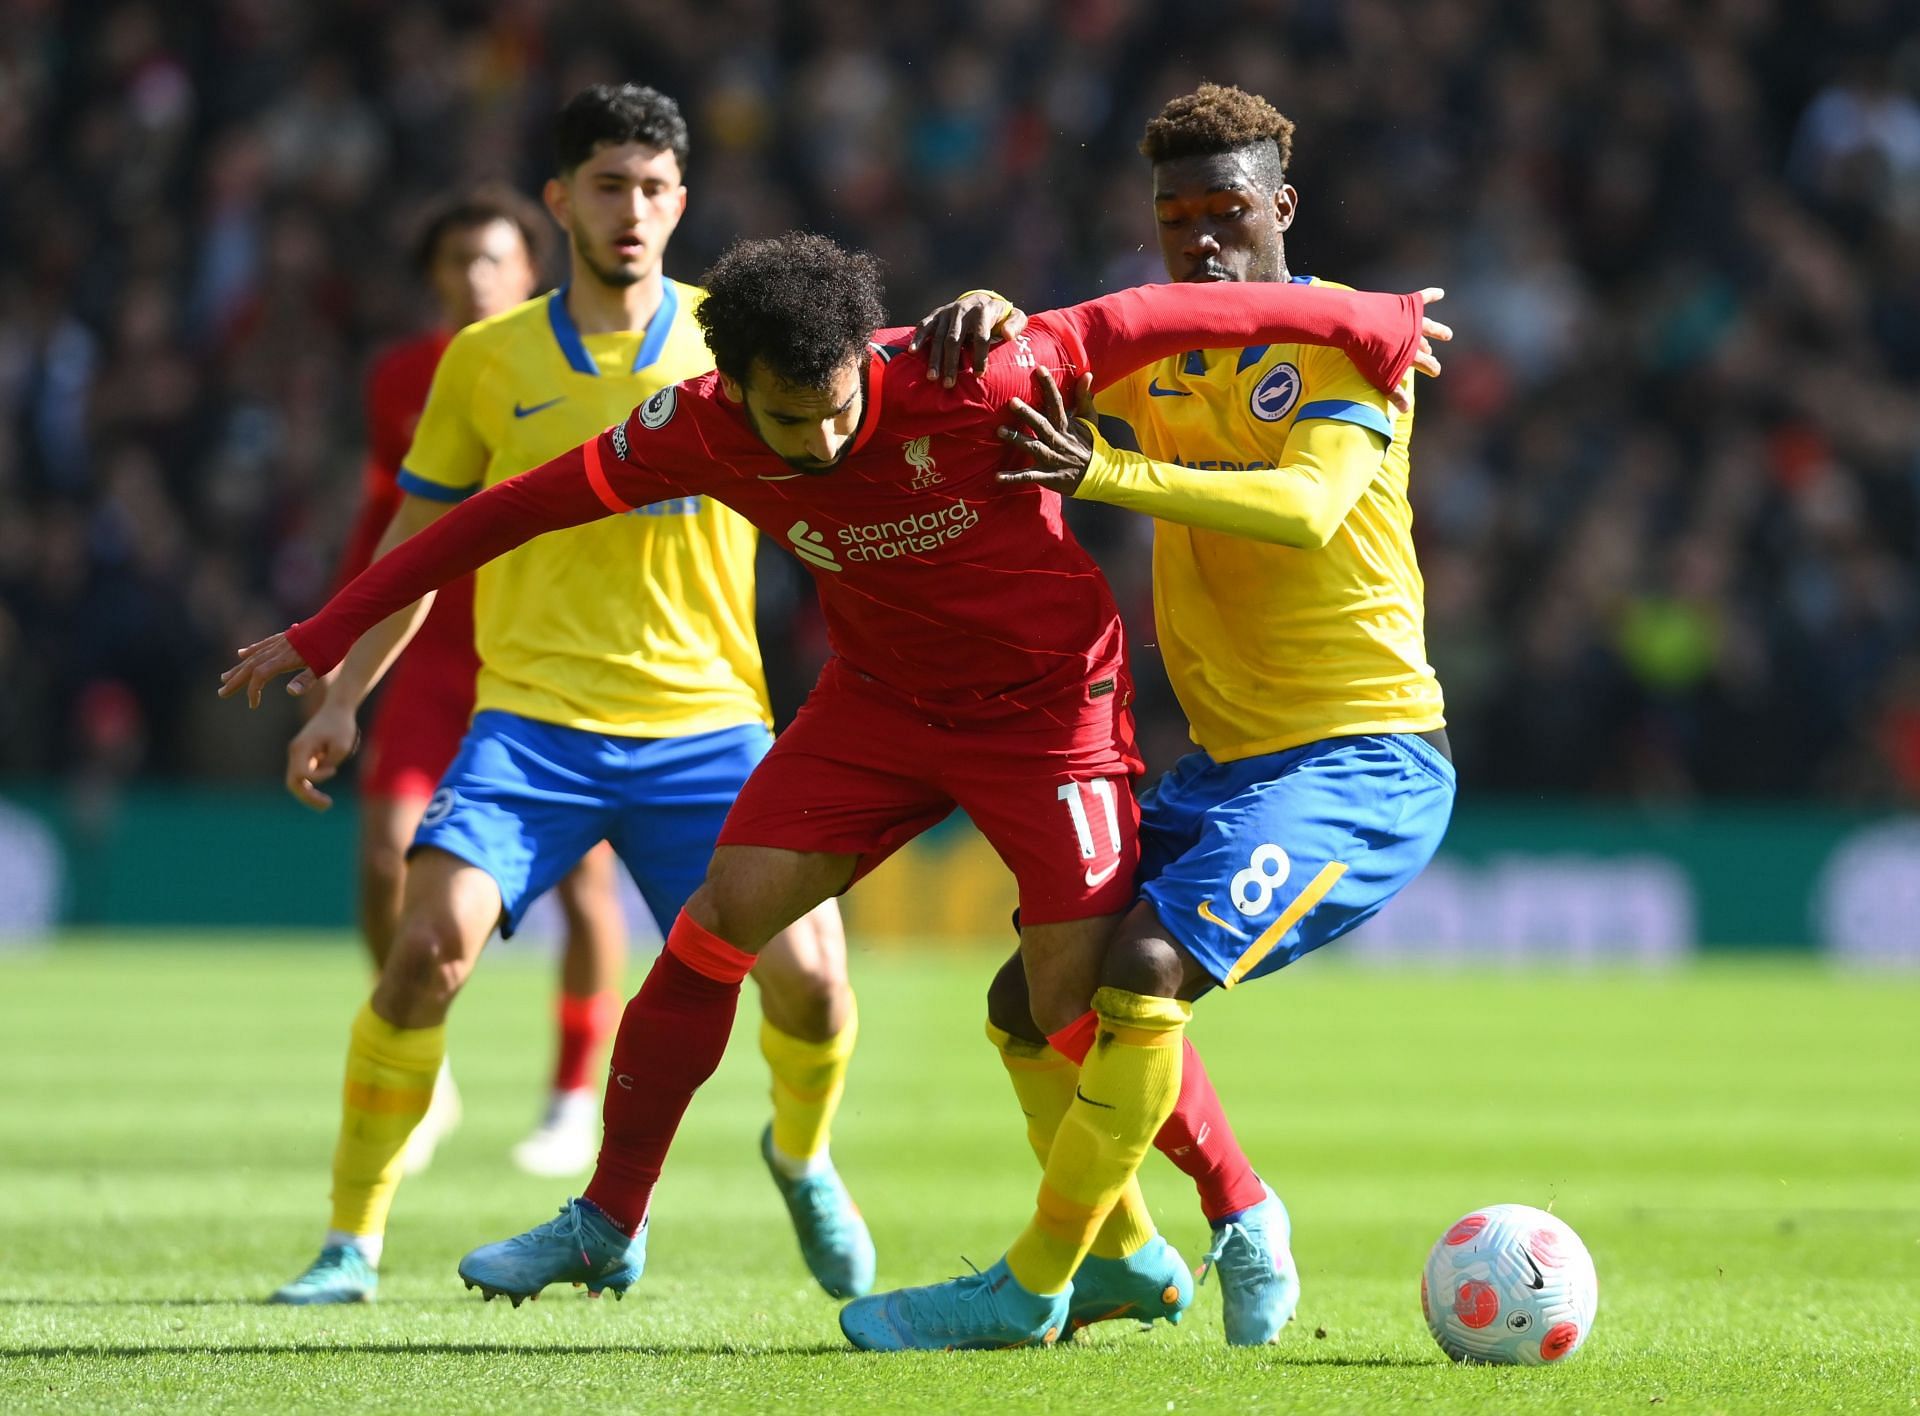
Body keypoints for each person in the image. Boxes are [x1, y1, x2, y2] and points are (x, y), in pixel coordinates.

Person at [220, 229, 1442, 1330]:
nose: (818, 442)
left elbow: (1165, 317)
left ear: (869, 358)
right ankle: (606, 1222)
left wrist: (1373, 318)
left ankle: (1236, 1213)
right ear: (731, 389)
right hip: (880, 709)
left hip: (1049, 714)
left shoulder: (983, 372)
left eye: (837, 410)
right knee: (716, 925)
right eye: (786, 422)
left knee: (1079, 1009)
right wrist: (328, 632)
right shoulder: (690, 426)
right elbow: (510, 511)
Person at [841, 83, 1456, 1351]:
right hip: (1231, 766)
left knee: (1145, 969)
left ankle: (1031, 1283)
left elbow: (1305, 511)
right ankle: (1142, 1249)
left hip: (1366, 755)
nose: (1203, 242)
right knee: (1030, 1003)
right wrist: (1006, 316)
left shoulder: (1349, 342)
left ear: (1282, 207)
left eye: (1228, 211)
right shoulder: (1160, 353)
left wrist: (1106, 470)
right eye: (1177, 220)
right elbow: (1047, 373)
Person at [263, 85, 868, 1309]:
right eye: (608, 185)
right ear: (560, 201)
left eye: (653, 188)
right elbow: (416, 552)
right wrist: (343, 700)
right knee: (425, 952)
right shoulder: (484, 364)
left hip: (709, 729)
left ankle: (800, 1156)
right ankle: (349, 1243)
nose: (633, 210)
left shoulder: (735, 342)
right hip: (533, 729)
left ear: (683, 201)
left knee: (810, 985)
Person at [312, 186, 631, 1183]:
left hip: (545, 652)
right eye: (457, 262)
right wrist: (341, 642)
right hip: (437, 652)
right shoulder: (402, 377)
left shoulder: (573, 361)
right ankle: (419, 1059)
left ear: (532, 270)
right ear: (433, 278)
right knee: (380, 856)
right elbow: (390, 519)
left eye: (494, 259)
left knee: (583, 882)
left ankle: (574, 1092)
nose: (475, 277)